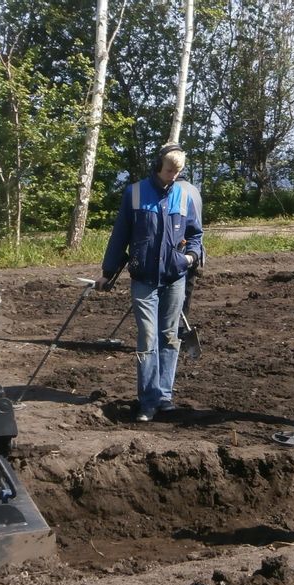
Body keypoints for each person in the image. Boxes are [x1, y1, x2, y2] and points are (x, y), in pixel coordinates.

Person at [98, 144, 203, 422]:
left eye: (178, 171)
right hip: (144, 279)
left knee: (169, 337)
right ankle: (147, 401)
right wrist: (108, 272)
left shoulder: (184, 195)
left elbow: (195, 234)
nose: (173, 175)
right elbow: (120, 235)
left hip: (174, 278)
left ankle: (164, 397)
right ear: (158, 165)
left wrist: (190, 258)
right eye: (169, 170)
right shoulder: (134, 193)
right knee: (147, 337)